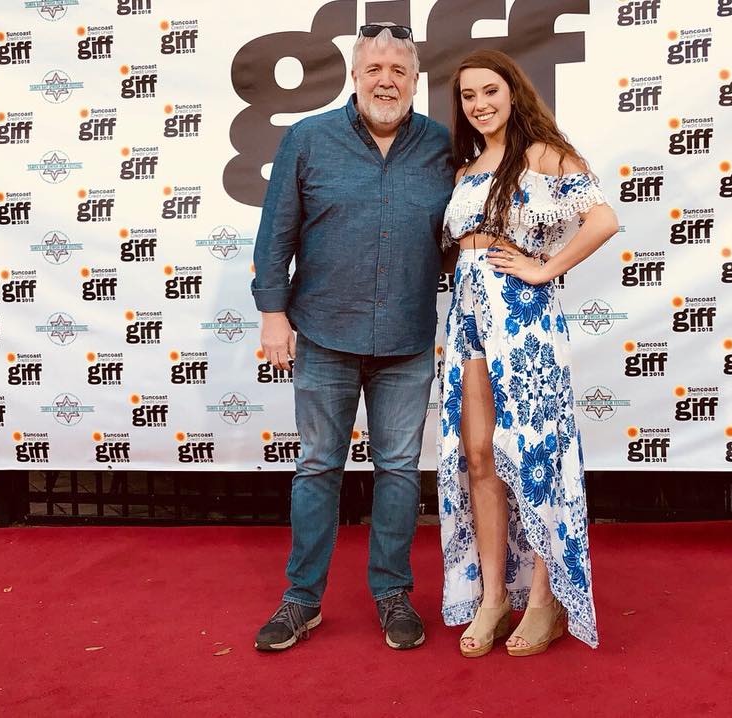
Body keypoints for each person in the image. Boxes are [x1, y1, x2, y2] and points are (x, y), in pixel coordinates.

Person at [251, 23, 454, 651]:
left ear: (415, 80)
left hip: (407, 340)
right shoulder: (308, 141)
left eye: (398, 70)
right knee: (317, 467)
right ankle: (301, 600)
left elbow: (456, 235)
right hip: (323, 334)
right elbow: (276, 235)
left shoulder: (442, 147)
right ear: (355, 76)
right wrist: (272, 313)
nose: (386, 80)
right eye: (374, 70)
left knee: (397, 470)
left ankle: (393, 594)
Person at [437, 49, 619, 657]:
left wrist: (545, 269)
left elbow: (603, 220)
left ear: (513, 92)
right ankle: (493, 597)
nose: (480, 104)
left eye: (490, 91)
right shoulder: (464, 172)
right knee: (480, 453)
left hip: (524, 318)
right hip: (468, 316)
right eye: (468, 96)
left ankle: (545, 601)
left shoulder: (545, 155)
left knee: (533, 452)